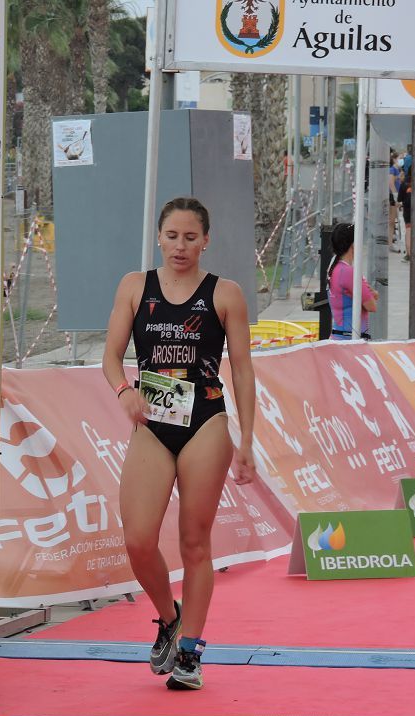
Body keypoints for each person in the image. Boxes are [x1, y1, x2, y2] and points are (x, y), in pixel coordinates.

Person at [102, 197, 255, 691]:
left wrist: (247, 438)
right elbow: (110, 357)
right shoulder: (134, 286)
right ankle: (169, 618)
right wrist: (125, 392)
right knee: (138, 539)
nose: (180, 246)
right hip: (151, 421)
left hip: (205, 421)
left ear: (206, 240)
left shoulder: (225, 294)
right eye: (172, 236)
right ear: (160, 237)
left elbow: (244, 370)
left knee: (194, 540)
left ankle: (190, 652)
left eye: (191, 237)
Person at [328, 222, 378, 339]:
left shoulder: (334, 268)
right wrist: (373, 294)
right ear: (353, 245)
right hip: (350, 341)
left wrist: (371, 294)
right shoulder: (349, 272)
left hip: (339, 337)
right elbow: (371, 306)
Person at [388, 152, 402, 254]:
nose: (401, 160)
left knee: (392, 221)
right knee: (391, 221)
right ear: (394, 159)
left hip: (393, 196)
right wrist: (395, 196)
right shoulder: (392, 169)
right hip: (391, 196)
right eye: (399, 158)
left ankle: (390, 242)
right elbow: (391, 183)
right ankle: (389, 243)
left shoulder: (396, 170)